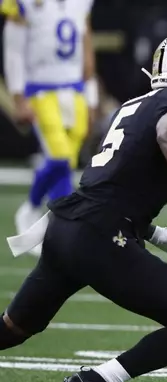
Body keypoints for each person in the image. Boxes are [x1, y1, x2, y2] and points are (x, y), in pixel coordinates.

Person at [2, 31, 167, 382]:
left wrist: (154, 233)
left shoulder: (131, 106)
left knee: (13, 328)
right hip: (99, 236)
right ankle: (99, 381)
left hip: (66, 226)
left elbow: (111, 184)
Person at [1, 0, 99, 256]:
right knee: (59, 158)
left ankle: (61, 235)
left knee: (66, 165)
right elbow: (13, 49)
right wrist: (18, 96)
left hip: (74, 89)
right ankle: (32, 207)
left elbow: (86, 45)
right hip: (41, 90)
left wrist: (91, 96)